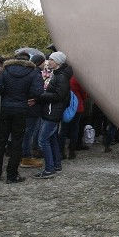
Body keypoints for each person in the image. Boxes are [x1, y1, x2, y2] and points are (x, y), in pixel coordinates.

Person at [0, 56, 44, 183]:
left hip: (6, 108)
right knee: (17, 142)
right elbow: (38, 91)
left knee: (1, 141)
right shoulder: (32, 73)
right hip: (21, 108)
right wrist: (27, 96)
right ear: (27, 60)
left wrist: (6, 93)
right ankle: (12, 175)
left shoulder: (6, 71)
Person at [35, 51, 72, 179]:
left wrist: (41, 96)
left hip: (52, 112)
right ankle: (56, 165)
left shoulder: (61, 77)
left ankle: (49, 169)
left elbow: (59, 95)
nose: (48, 61)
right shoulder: (59, 74)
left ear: (58, 62)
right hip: (51, 111)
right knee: (52, 139)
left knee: (42, 140)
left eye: (51, 59)